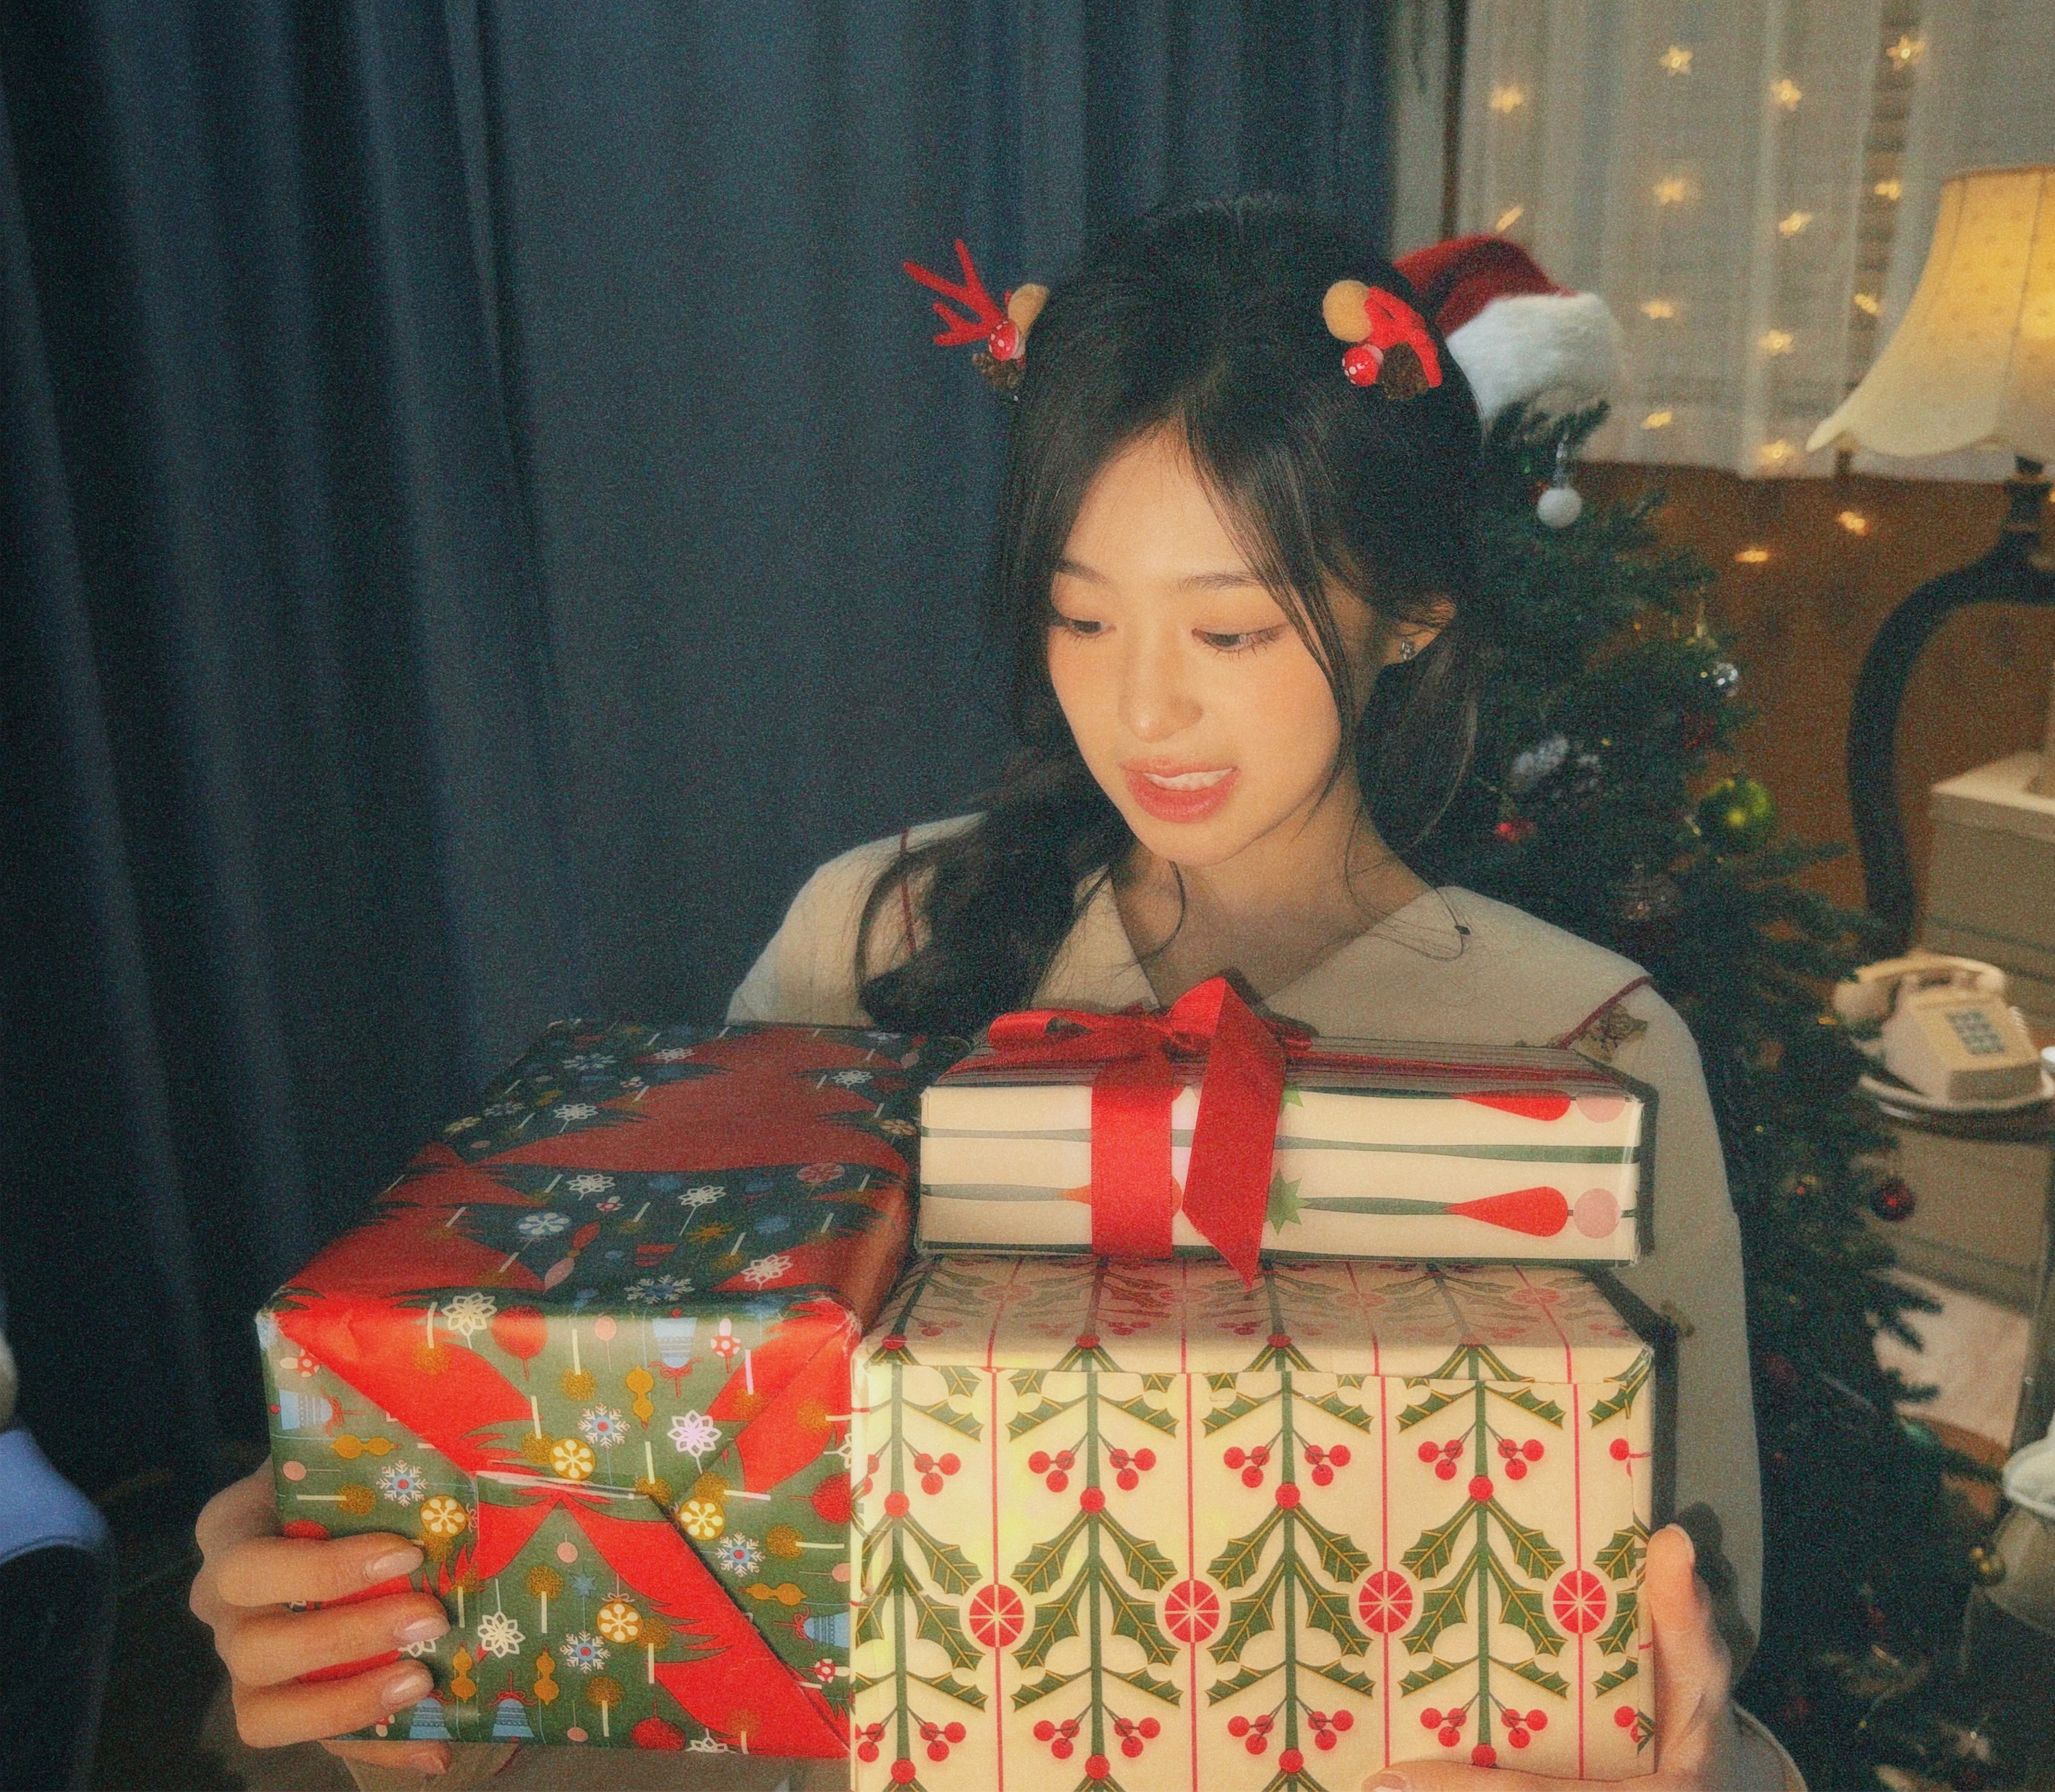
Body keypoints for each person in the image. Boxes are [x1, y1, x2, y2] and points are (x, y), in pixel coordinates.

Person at [190, 197, 1796, 1791]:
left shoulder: (1592, 1053)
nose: (1143, 707)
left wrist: (1674, 1753)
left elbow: (1687, 1664)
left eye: (1232, 628)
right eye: (1082, 615)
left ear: (1416, 607)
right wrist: (410, 1642)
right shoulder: (869, 943)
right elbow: (669, 1527)